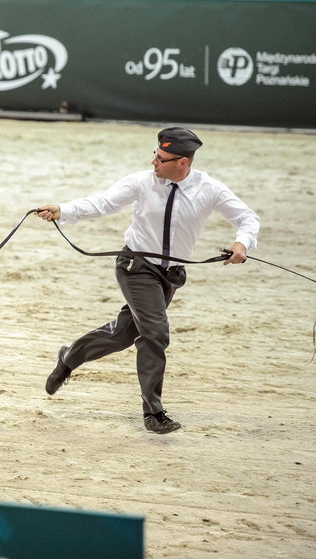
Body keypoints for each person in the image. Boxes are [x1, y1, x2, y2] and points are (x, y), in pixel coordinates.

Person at [36, 127, 260, 434]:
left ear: (183, 162)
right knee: (155, 333)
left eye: (162, 158)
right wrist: (63, 210)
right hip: (136, 267)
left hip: (171, 276)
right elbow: (103, 202)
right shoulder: (142, 181)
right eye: (155, 154)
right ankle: (153, 412)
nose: (154, 161)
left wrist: (242, 244)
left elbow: (248, 218)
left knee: (123, 334)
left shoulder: (209, 188)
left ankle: (69, 358)